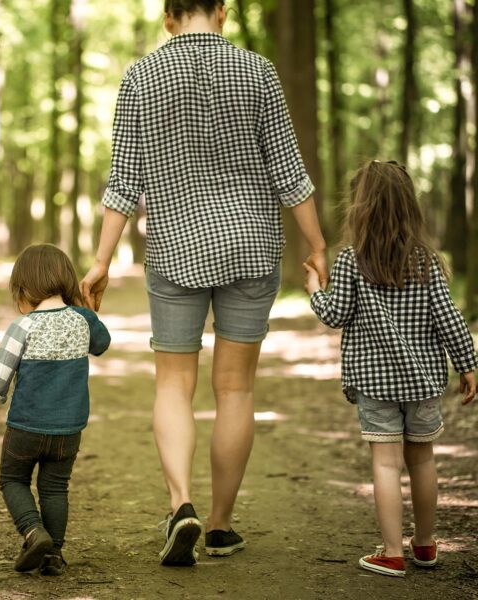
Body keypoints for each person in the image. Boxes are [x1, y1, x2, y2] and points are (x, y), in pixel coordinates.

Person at [79, 0, 327, 566]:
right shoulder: (258, 71)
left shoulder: (141, 77)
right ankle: (218, 526)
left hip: (175, 248)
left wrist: (101, 260)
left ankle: (181, 504)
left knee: (173, 385)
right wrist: (316, 245)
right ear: (223, 11)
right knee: (235, 389)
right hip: (252, 245)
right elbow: (289, 173)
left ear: (169, 18)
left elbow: (124, 180)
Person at [304, 159, 477, 578]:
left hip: (375, 383)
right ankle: (425, 545)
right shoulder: (427, 261)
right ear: (409, 207)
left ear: (360, 208)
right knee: (422, 460)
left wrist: (314, 289)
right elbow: (448, 317)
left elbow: (336, 314)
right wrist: (468, 365)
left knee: (385, 464)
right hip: (423, 383)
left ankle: (391, 551)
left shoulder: (351, 261)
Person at [0, 244, 110, 576]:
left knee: (12, 478)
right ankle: (54, 554)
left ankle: (34, 532)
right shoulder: (83, 320)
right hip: (68, 431)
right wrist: (87, 309)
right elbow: (101, 344)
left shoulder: (23, 326)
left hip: (26, 428)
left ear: (23, 290)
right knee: (55, 487)